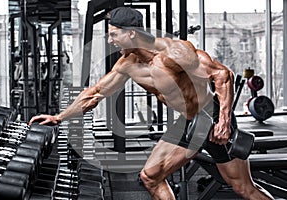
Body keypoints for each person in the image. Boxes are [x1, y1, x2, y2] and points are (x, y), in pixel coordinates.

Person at [29, 7, 274, 200]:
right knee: (150, 177)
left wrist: (223, 122)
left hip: (210, 116)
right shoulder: (127, 65)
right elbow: (94, 93)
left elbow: (222, 76)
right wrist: (59, 117)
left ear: (131, 33)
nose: (111, 40)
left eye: (114, 34)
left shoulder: (174, 53)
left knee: (243, 188)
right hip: (189, 122)